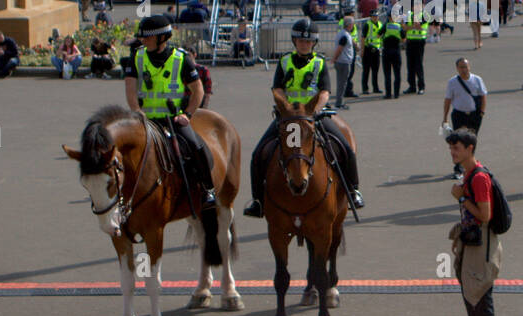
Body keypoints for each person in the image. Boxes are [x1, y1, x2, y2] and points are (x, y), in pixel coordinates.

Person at [241, 18, 364, 218]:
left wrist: (313, 110)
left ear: (313, 43)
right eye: (300, 41)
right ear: (294, 41)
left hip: (313, 116)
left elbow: (325, 91)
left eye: (307, 42)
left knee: (345, 148)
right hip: (289, 118)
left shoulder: (319, 63)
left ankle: (353, 190)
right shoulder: (284, 61)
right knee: (258, 154)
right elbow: (277, 88)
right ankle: (258, 201)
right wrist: (286, 107)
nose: (304, 44)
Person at [121, 15, 220, 217]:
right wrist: (136, 111)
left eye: (147, 38)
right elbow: (130, 88)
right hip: (145, 119)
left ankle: (207, 190)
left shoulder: (181, 59)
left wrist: (188, 115)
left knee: (196, 146)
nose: (143, 41)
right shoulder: (137, 57)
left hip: (173, 119)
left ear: (162, 38)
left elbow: (197, 90)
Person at [447, 129, 500, 316]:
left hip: (482, 244)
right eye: (451, 148)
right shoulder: (469, 173)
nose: (452, 152)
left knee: (481, 294)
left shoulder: (479, 178)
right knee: (471, 292)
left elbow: (486, 215)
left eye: (456, 148)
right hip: (471, 241)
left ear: (470, 148)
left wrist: (461, 198)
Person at [443, 57, 487, 177]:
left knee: (471, 141)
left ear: (469, 67)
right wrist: (445, 117)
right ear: (457, 68)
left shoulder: (477, 80)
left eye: (465, 67)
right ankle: (458, 168)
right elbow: (447, 100)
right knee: (458, 142)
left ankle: (470, 166)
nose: (464, 69)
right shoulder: (452, 82)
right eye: (461, 67)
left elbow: (483, 96)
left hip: (474, 115)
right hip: (459, 115)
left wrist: (481, 113)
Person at [332, 16, 357, 109]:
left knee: (341, 83)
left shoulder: (344, 33)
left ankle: (339, 102)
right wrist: (334, 58)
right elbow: (340, 48)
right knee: (342, 83)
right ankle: (339, 103)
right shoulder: (345, 35)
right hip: (343, 62)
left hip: (342, 61)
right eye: (353, 23)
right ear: (350, 25)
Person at [381, 8, 404, 99]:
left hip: (386, 51)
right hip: (396, 51)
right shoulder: (399, 27)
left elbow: (378, 35)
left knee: (387, 74)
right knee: (397, 73)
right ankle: (396, 94)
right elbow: (403, 39)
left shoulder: (385, 26)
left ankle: (388, 94)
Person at [404, 10, 429, 94]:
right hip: (410, 41)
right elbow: (405, 28)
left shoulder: (424, 15)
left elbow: (420, 27)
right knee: (410, 65)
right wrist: (413, 26)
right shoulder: (409, 15)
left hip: (419, 42)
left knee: (418, 64)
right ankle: (412, 86)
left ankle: (421, 87)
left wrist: (412, 26)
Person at [360, 13, 383, 94]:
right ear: (371, 17)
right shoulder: (367, 25)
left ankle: (375, 88)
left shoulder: (380, 24)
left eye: (377, 16)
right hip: (368, 49)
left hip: (376, 49)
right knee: (366, 70)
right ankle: (365, 88)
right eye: (374, 16)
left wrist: (381, 48)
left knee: (375, 70)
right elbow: (363, 38)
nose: (375, 18)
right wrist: (362, 50)